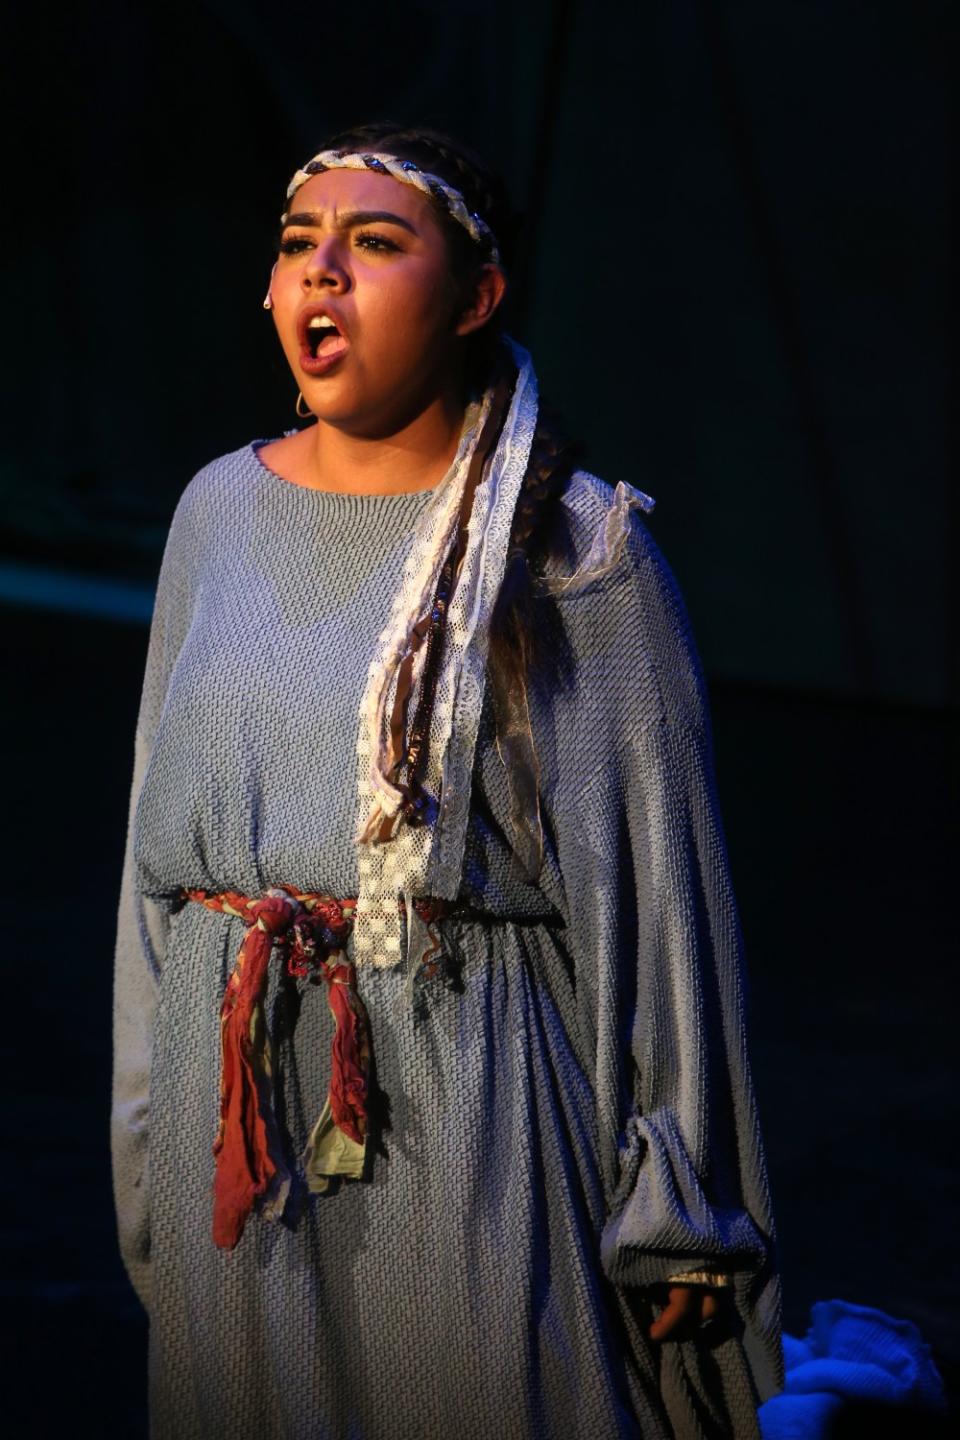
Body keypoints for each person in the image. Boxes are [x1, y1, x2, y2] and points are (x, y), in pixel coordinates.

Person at [111, 122, 783, 1439]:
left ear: (474, 296)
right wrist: (144, 1130)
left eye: (373, 245)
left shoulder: (580, 554)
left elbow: (660, 909)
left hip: (456, 1107)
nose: (321, 277)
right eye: (301, 245)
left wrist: (682, 1205)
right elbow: (156, 872)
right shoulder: (215, 514)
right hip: (232, 1112)